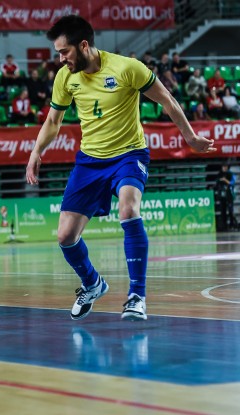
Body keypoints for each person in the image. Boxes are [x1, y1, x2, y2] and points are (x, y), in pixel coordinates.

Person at [26, 15, 215, 322]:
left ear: (83, 45)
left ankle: (137, 296)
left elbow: (166, 99)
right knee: (64, 237)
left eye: (64, 52)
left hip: (128, 154)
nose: (60, 59)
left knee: (128, 210)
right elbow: (53, 121)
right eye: (58, 53)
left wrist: (190, 137)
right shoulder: (65, 77)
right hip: (89, 161)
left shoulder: (127, 68)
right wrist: (36, 151)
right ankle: (93, 284)